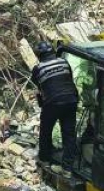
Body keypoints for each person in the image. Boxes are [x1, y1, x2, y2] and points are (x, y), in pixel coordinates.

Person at [31, 40, 79, 170]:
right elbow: (68, 78)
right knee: (69, 134)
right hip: (71, 100)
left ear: (39, 55)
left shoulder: (38, 68)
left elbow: (39, 87)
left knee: (45, 131)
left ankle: (45, 159)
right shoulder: (64, 62)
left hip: (53, 103)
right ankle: (67, 168)